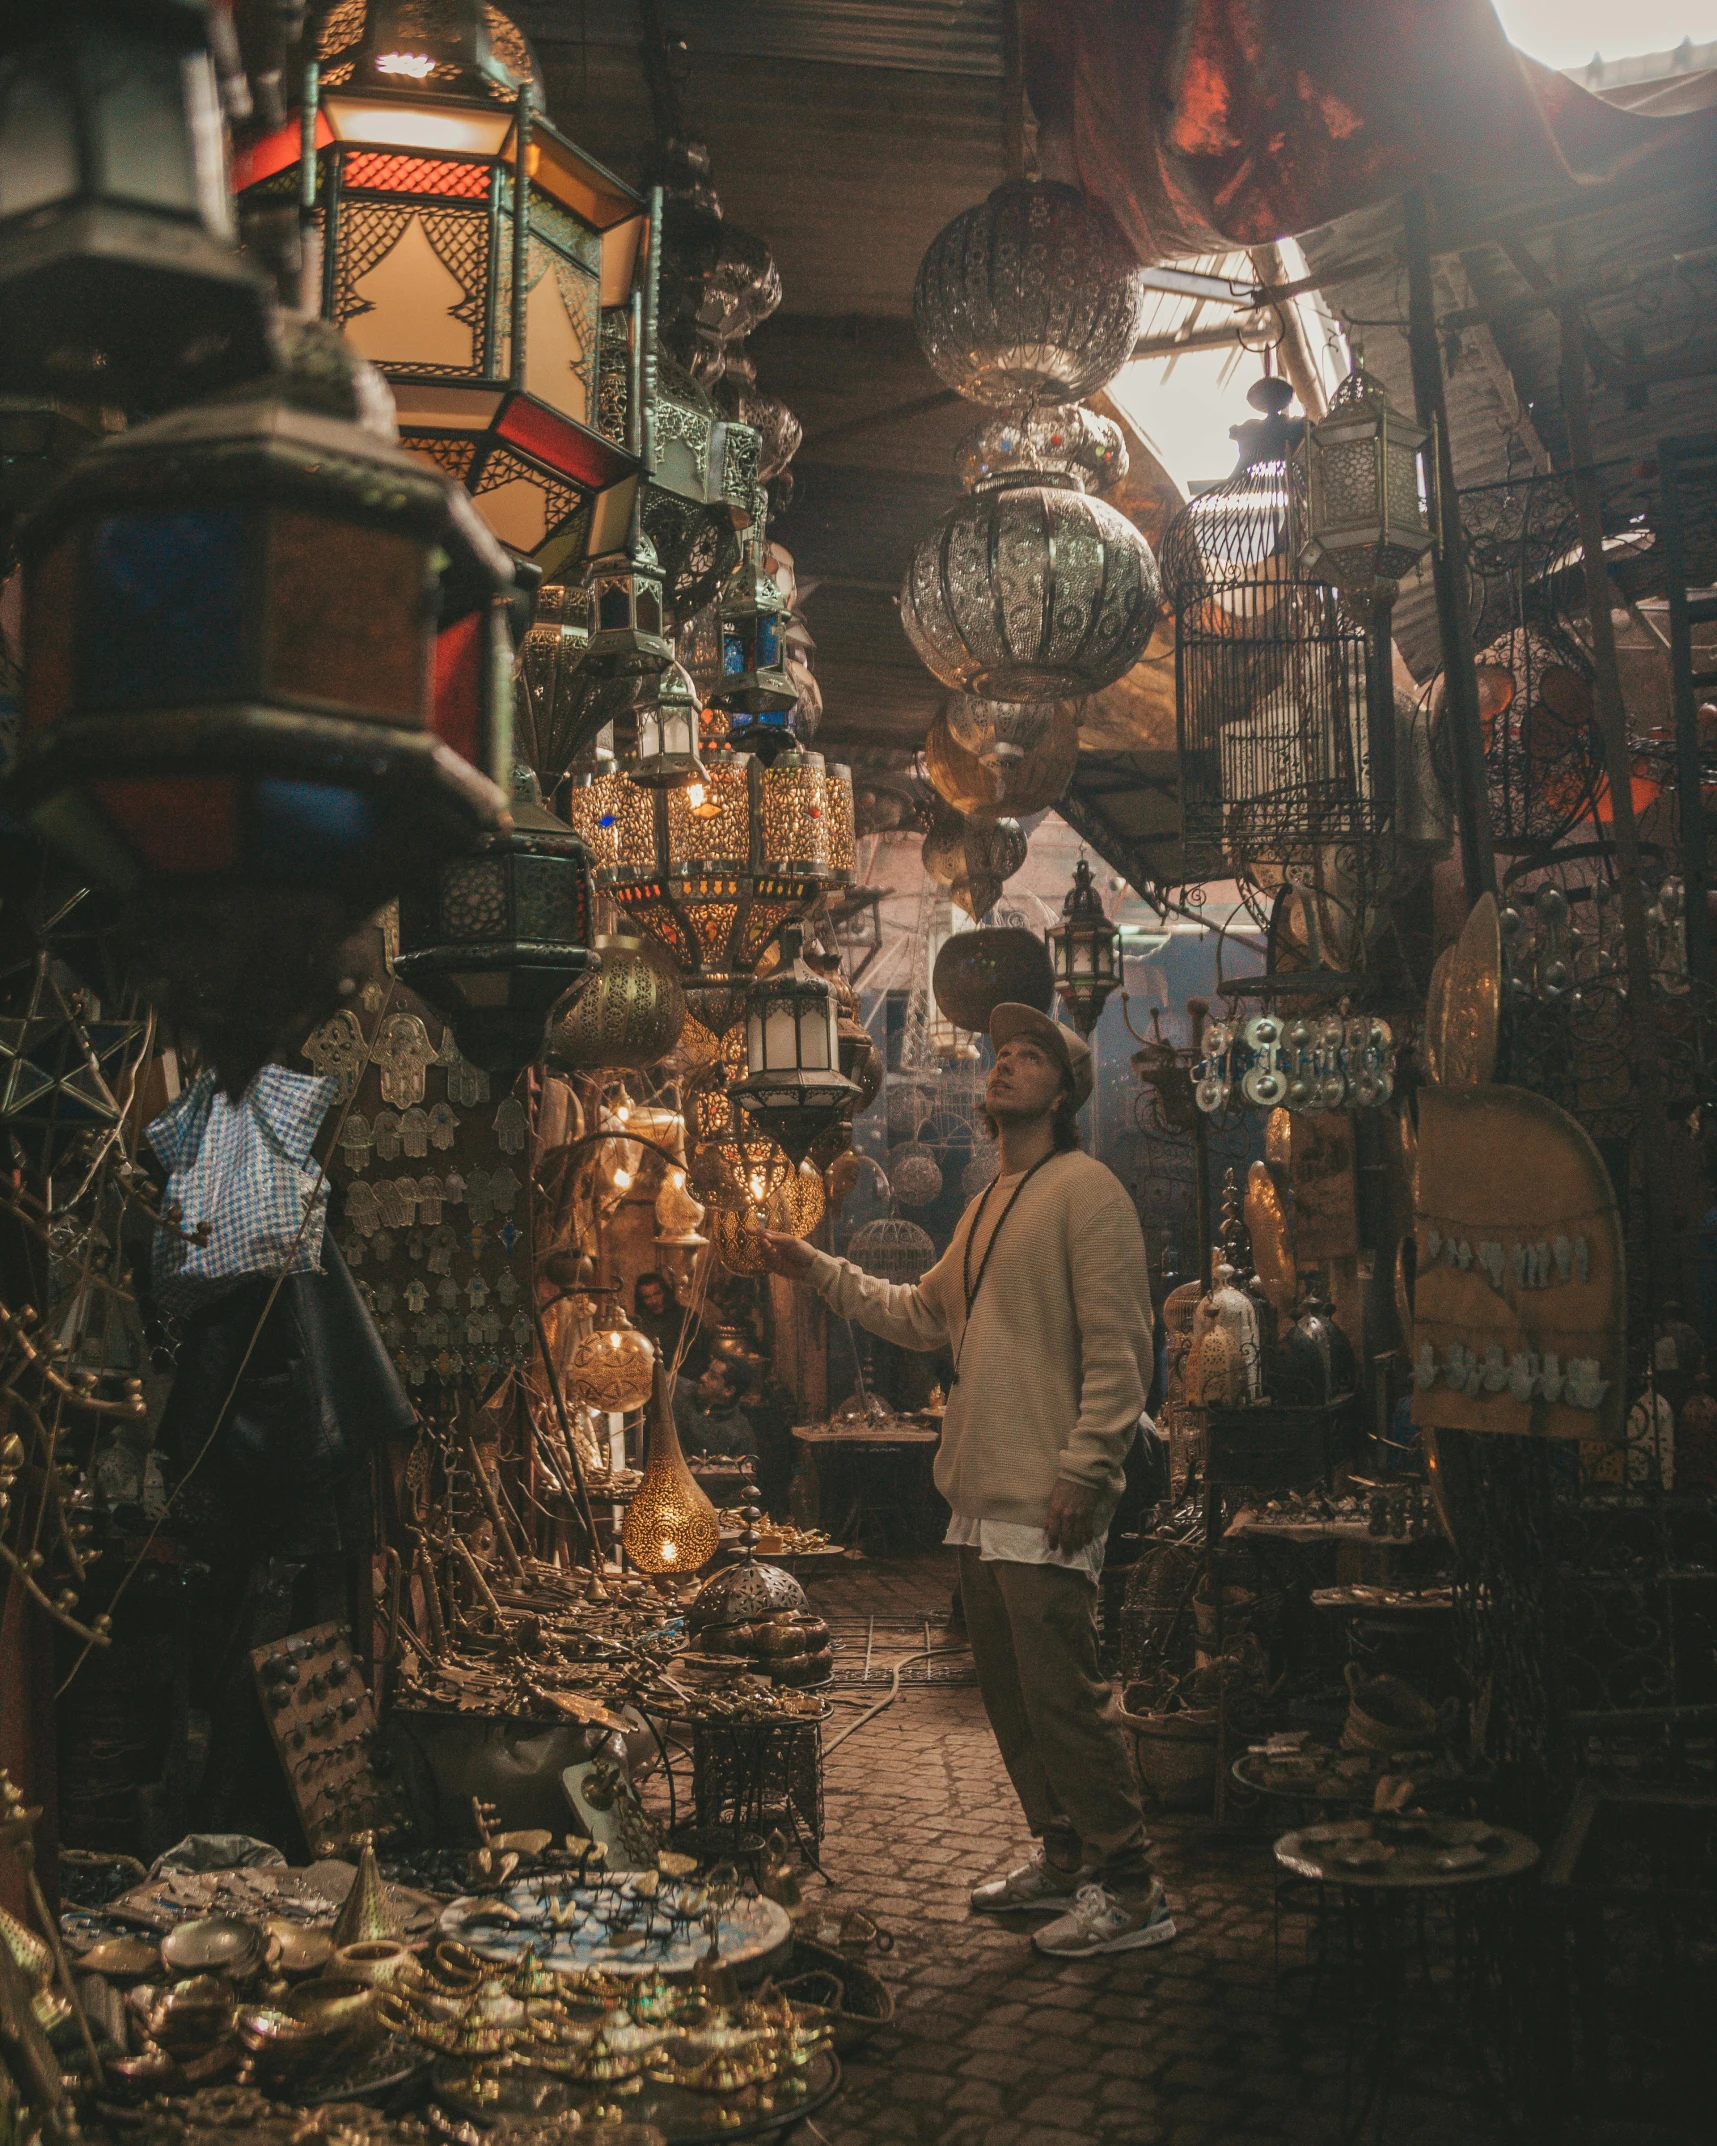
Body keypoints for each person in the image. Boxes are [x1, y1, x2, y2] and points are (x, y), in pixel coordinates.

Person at [761, 1003, 1169, 1958]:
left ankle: (1132, 1885)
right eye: (1000, 1055)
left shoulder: (1087, 1190)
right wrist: (815, 1267)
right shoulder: (987, 1205)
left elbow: (1121, 1347)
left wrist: (1088, 1463)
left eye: (1029, 1058)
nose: (1004, 1067)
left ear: (1062, 1093)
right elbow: (916, 1313)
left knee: (1064, 1695)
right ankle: (1062, 1855)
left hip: (1047, 1491)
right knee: (1012, 1695)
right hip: (982, 1497)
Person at [676, 1357, 759, 1461]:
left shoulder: (740, 1434)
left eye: (713, 1376)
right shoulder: (680, 1390)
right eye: (707, 1371)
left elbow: (743, 1474)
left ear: (728, 1391)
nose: (703, 1377)